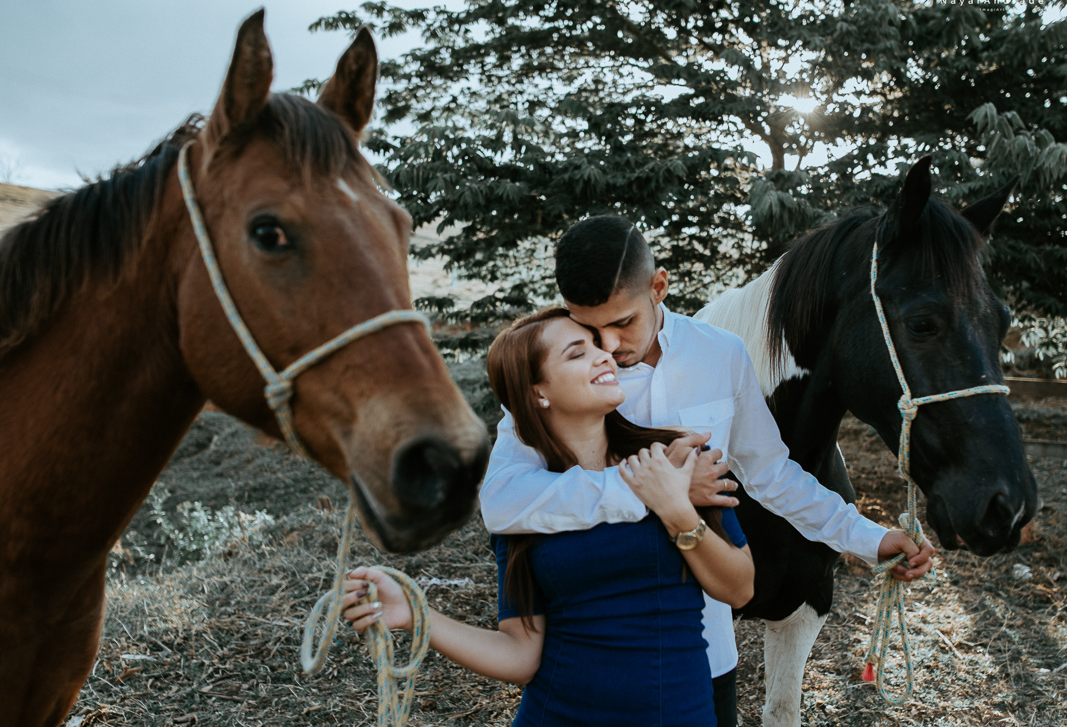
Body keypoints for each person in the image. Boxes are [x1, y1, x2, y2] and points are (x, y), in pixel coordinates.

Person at [479, 215, 937, 727]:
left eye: (622, 323)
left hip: (704, 656)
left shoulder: (721, 356)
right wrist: (657, 491)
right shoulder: (560, 377)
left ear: (659, 286)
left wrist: (869, 538)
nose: (606, 345)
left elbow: (772, 474)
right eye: (589, 327)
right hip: (588, 655)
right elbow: (503, 499)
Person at [342, 309, 754, 726]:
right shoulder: (523, 501)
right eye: (578, 354)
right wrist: (417, 615)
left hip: (680, 714)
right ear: (538, 393)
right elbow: (520, 654)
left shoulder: (676, 458)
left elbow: (740, 587)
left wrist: (677, 512)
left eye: (598, 346)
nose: (604, 356)